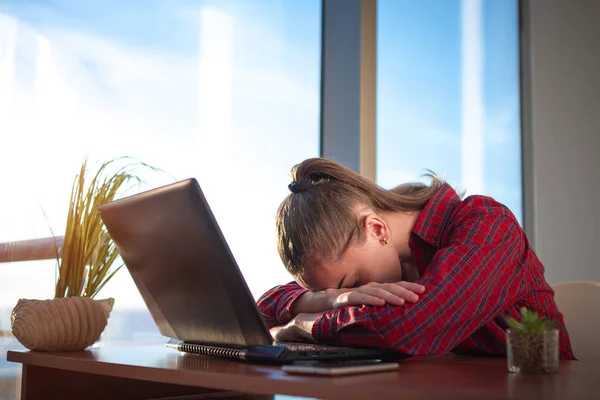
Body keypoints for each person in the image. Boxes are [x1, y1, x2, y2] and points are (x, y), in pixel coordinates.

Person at [257, 157, 574, 359]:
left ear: (377, 229)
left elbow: (407, 327)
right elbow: (264, 308)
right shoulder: (382, 259)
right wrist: (328, 299)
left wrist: (306, 326)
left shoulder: (487, 225)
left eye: (351, 282)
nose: (357, 297)